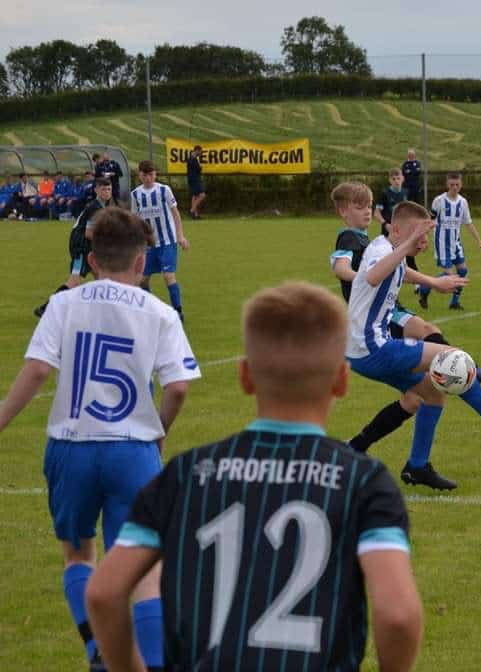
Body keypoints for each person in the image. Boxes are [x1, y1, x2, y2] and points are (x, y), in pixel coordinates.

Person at [85, 282, 423, 672]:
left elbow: (104, 593)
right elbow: (398, 615)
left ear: (246, 377)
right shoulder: (365, 482)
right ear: (341, 380)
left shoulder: (186, 473)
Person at [0, 207, 200, 672]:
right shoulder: (160, 311)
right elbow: (179, 386)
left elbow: (36, 370)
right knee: (146, 570)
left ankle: (97, 651)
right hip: (132, 449)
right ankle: (151, 664)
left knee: (78, 553)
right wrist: (159, 435)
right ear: (141, 262)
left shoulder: (64, 304)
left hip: (71, 446)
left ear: (92, 260)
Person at [348, 200, 481, 490]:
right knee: (454, 360)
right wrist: (408, 247)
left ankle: (417, 467)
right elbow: (374, 275)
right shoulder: (382, 250)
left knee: (433, 392)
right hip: (373, 347)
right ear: (397, 229)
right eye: (419, 235)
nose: (423, 241)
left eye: (425, 236)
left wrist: (432, 281)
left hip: (362, 350)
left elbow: (397, 270)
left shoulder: (387, 247)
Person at [328, 182, 481, 459]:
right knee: (426, 331)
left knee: (416, 399)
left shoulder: (370, 240)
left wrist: (431, 281)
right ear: (343, 211)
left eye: (369, 206)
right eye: (359, 207)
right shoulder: (348, 238)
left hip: (383, 311)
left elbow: (397, 268)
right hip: (374, 319)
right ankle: (468, 371)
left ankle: (358, 448)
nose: (367, 211)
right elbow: (341, 268)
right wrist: (363, 278)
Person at [33, 176, 116, 318]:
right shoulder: (94, 208)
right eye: (103, 189)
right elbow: (89, 233)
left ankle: (107, 312)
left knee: (102, 277)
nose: (107, 192)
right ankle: (46, 308)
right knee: (74, 280)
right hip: (81, 247)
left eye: (109, 189)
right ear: (96, 190)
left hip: (89, 247)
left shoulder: (104, 206)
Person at [418, 172, 481, 311]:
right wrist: (423, 238)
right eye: (452, 185)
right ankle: (425, 287)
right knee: (451, 276)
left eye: (457, 185)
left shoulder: (463, 202)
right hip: (442, 243)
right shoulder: (439, 201)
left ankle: (454, 302)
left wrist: (479, 240)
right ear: (447, 185)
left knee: (463, 271)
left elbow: (468, 223)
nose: (455, 187)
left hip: (456, 243)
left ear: (461, 185)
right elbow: (430, 220)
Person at [132, 160, 189, 321]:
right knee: (142, 280)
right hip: (149, 244)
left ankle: (178, 311)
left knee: (168, 275)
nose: (148, 178)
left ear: (155, 174)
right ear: (140, 175)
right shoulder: (136, 194)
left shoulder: (164, 190)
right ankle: (151, 311)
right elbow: (135, 219)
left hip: (167, 241)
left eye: (151, 174)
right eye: (145, 174)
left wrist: (180, 236)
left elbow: (176, 214)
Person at [186, 144, 205, 219]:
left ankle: (195, 214)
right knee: (202, 195)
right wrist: (200, 168)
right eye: (200, 152)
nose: (201, 153)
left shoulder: (191, 158)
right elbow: (196, 169)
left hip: (192, 179)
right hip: (194, 179)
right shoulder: (192, 158)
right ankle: (192, 210)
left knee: (195, 196)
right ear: (197, 150)